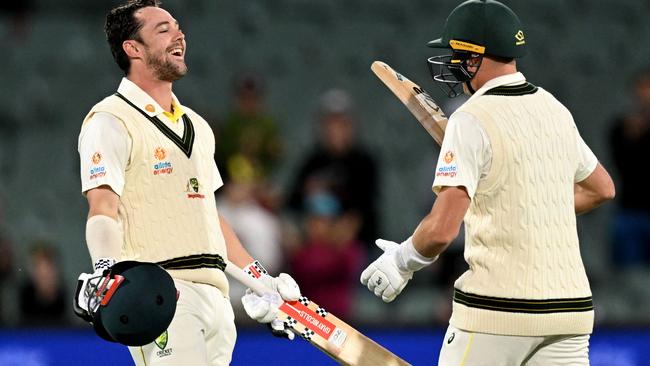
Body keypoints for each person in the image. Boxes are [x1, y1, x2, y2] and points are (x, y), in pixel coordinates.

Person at [360, 1, 615, 365]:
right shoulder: (555, 109)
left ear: (475, 58)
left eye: (457, 54)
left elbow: (441, 231)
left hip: (497, 312)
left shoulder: (470, 118)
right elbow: (601, 188)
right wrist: (523, 203)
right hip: (570, 312)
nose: (452, 63)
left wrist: (402, 261)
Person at [75, 1, 300, 365]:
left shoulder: (197, 125)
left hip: (217, 297)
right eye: (162, 30)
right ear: (133, 48)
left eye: (178, 27)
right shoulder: (110, 119)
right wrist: (105, 270)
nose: (179, 35)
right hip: (164, 294)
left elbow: (209, 216)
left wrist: (262, 282)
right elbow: (102, 208)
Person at [287, 89, 379, 247]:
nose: (336, 129)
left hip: (354, 244)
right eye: (331, 123)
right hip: (315, 242)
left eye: (342, 123)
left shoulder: (364, 161)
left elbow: (366, 207)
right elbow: (292, 203)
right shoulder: (312, 161)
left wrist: (341, 228)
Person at [608, 69, 650, 268]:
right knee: (628, 276)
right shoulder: (622, 128)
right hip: (629, 211)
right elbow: (619, 162)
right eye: (642, 88)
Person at [19, 242, 68, 326]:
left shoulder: (67, 297)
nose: (44, 273)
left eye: (48, 268)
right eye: (39, 267)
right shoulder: (21, 297)